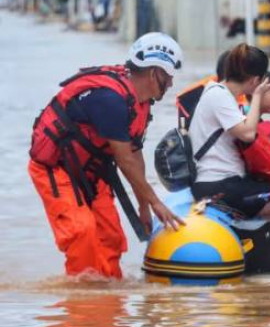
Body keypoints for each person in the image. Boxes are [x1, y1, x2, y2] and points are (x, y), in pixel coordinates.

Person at [28, 32, 186, 279]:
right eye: (168, 78)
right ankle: (83, 305)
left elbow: (134, 154)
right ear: (155, 73)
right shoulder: (110, 100)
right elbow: (123, 161)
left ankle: (110, 305)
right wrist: (156, 203)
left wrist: (143, 205)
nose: (171, 85)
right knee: (82, 232)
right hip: (56, 168)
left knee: (110, 236)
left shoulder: (140, 102)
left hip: (92, 169)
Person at [188, 43, 270, 217]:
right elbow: (247, 134)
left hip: (226, 182)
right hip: (219, 184)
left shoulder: (221, 94)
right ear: (255, 81)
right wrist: (258, 96)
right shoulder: (219, 96)